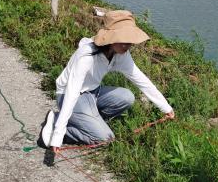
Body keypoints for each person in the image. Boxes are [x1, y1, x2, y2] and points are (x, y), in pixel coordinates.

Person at [39, 10, 174, 151]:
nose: (127, 45)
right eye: (123, 40)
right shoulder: (86, 56)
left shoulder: (120, 54)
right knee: (106, 138)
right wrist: (58, 135)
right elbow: (72, 92)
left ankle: (88, 121)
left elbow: (141, 80)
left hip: (92, 93)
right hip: (70, 95)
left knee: (127, 96)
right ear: (110, 38)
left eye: (130, 41)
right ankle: (57, 123)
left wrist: (166, 108)